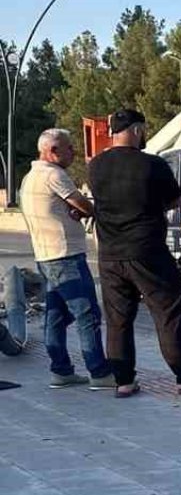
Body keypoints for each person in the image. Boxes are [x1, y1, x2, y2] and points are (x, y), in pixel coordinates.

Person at [87, 109, 181, 398]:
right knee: (167, 312)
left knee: (117, 321)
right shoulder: (152, 165)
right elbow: (174, 199)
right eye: (143, 130)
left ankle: (124, 382)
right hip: (147, 251)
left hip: (110, 255)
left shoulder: (95, 166)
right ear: (136, 130)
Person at [17, 129, 114, 389]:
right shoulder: (53, 174)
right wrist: (87, 210)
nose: (74, 152)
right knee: (87, 314)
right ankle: (100, 372)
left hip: (46, 256)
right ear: (53, 151)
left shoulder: (29, 178)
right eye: (69, 148)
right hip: (65, 256)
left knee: (56, 316)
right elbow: (83, 204)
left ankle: (61, 370)